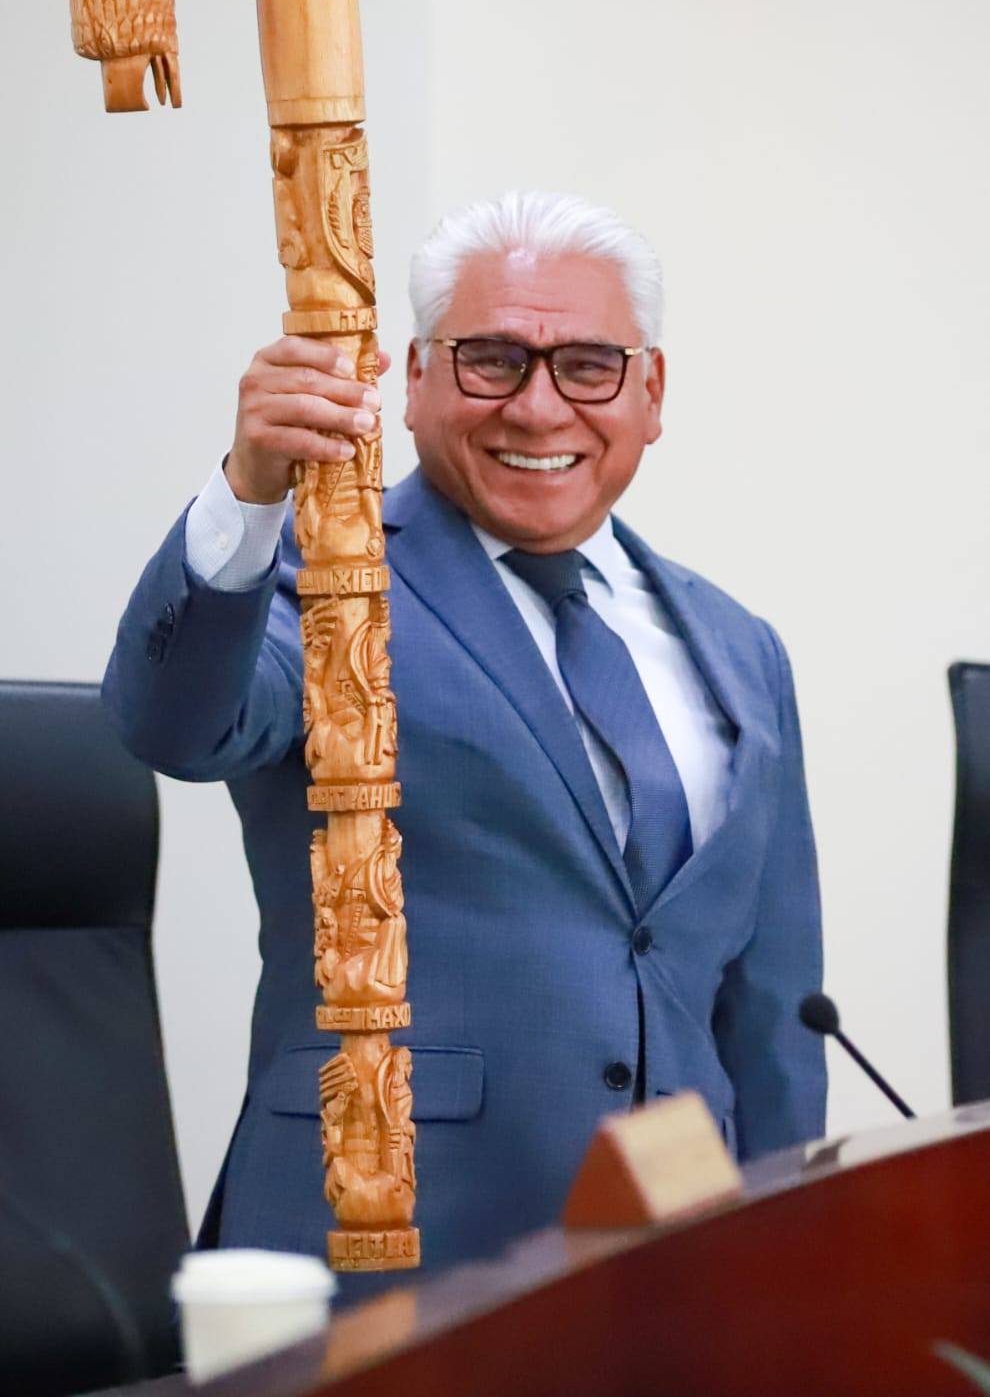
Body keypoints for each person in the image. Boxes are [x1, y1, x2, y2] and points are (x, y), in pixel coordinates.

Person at [103, 191, 825, 1301]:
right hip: (386, 1247)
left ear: (651, 392)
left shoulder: (737, 645)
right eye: (490, 360)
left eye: (588, 365)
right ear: (414, 376)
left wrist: (796, 1277)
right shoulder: (325, 578)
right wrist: (248, 494)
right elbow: (175, 725)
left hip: (672, 1277)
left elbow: (773, 1011)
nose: (537, 407)